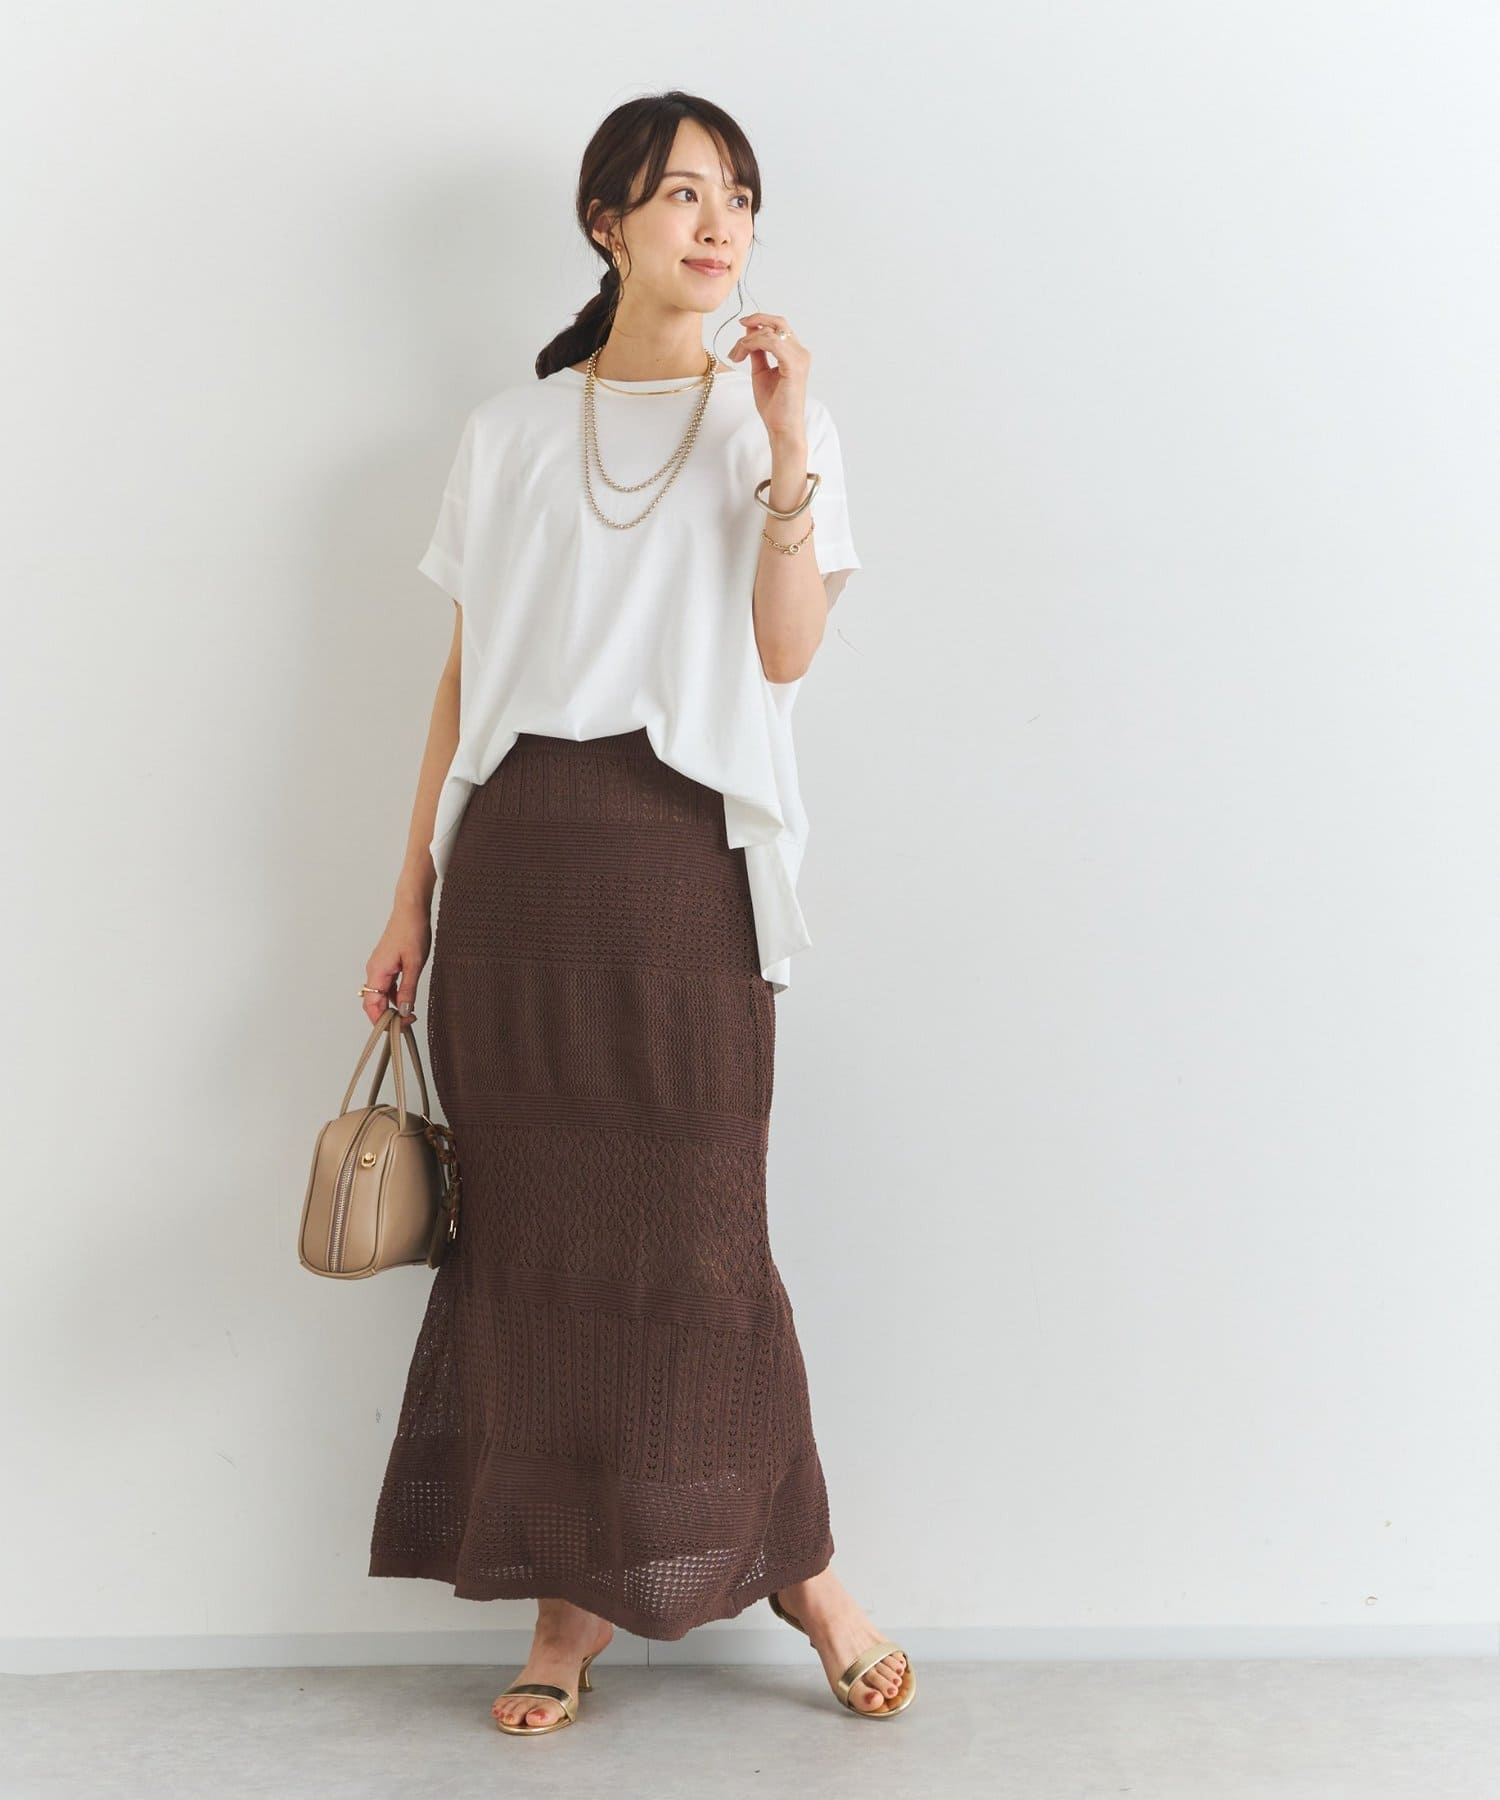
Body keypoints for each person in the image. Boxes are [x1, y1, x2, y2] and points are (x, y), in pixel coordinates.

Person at [359, 90, 915, 1733]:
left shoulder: (774, 424)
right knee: (536, 1250)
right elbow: (464, 682)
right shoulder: (509, 436)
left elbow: (788, 653)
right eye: (681, 193)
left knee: (703, 1245)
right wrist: (408, 896)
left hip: (683, 872)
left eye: (737, 194)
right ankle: (566, 1607)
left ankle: (809, 1575)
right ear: (606, 222)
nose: (719, 222)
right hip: (519, 871)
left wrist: (788, 449)